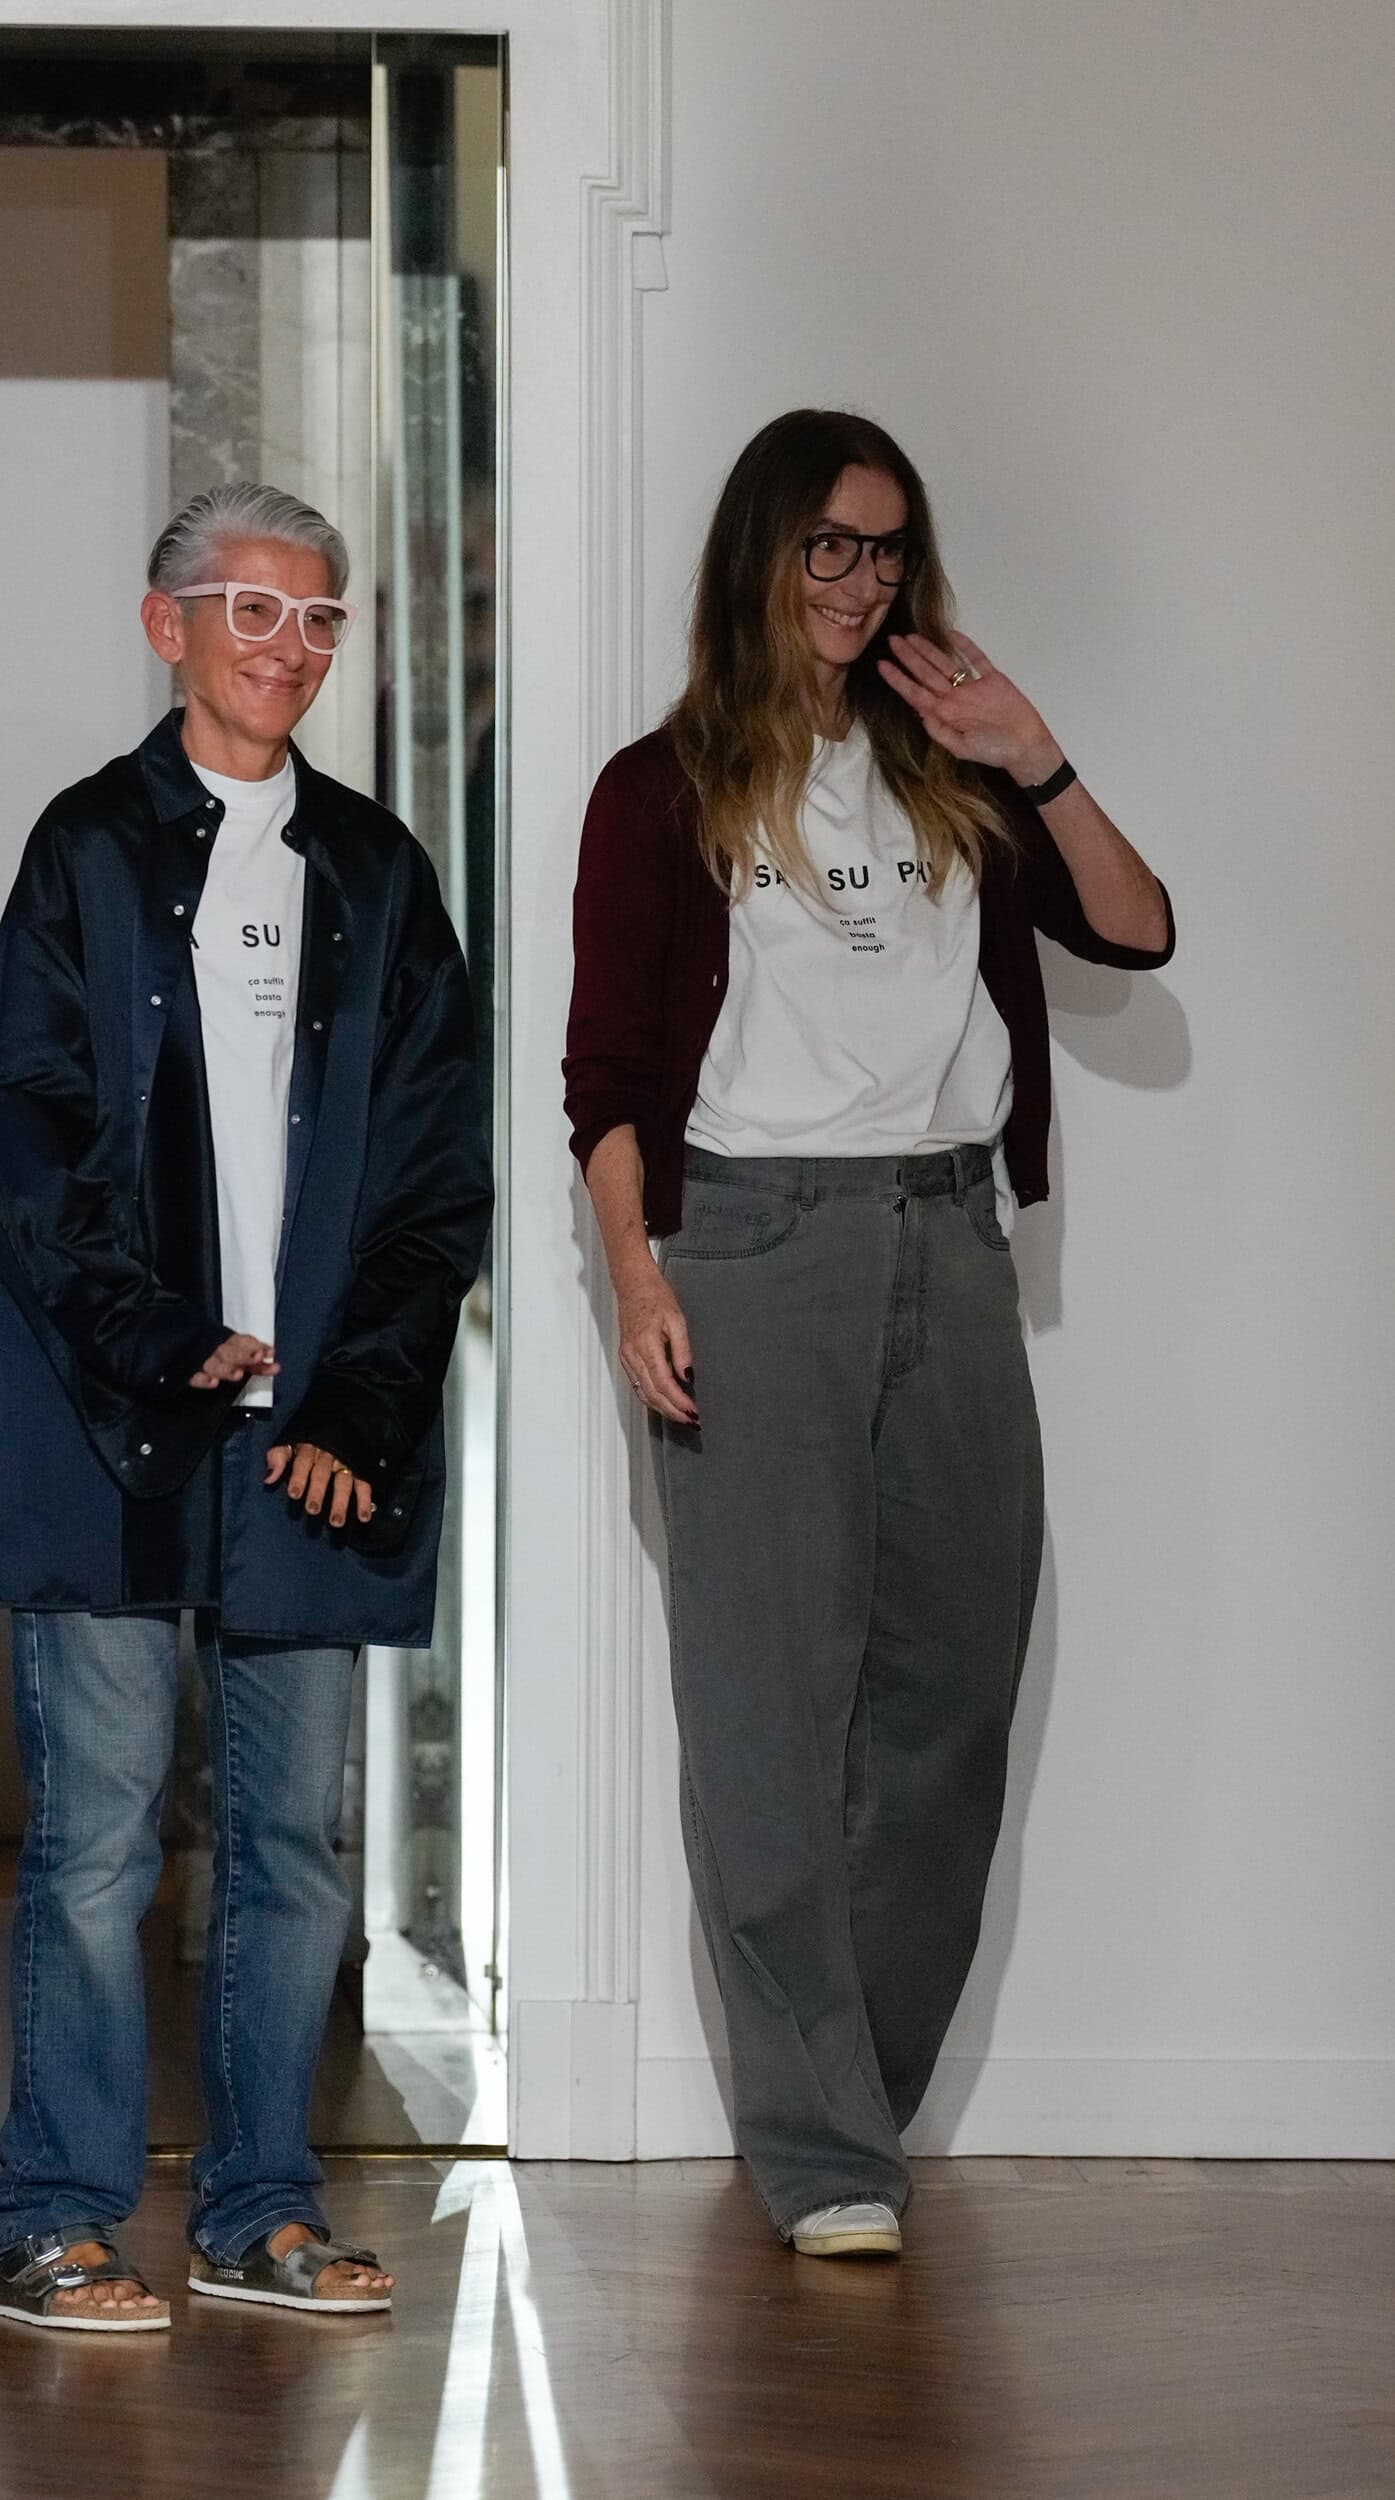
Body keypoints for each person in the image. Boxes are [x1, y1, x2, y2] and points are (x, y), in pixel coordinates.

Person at [564, 409, 1174, 2257]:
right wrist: (639, 1279)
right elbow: (606, 1076)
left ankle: (853, 2102)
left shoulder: (952, 775)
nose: (859, 580)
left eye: (887, 548)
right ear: (763, 555)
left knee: (952, 1707)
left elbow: (1139, 933)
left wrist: (1036, 755)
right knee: (766, 1714)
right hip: (752, 1249)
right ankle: (826, 2153)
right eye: (828, 545)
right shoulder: (658, 790)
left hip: (950, 1241)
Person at [0, 481, 492, 2327]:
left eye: (320, 616)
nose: (291, 646)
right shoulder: (84, 852)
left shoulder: (379, 873)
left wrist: (357, 1406)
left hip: (308, 1444)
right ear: (166, 626)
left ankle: (261, 2210)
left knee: (289, 1854)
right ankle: (51, 2219)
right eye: (252, 609)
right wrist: (158, 1335)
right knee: (97, 1846)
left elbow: (434, 1176)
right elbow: (28, 1145)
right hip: (117, 1423)